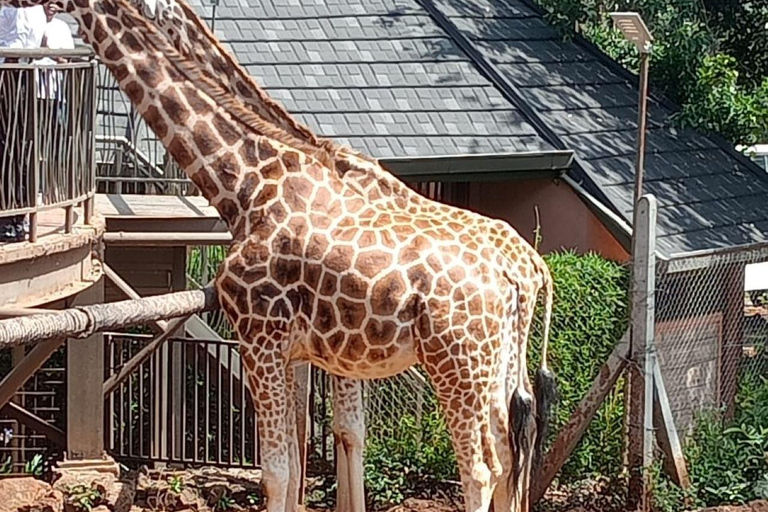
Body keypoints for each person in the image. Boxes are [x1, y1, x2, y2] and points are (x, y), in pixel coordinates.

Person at [0, 5, 47, 243]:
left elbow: (17, 44)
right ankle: (17, 217)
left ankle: (12, 218)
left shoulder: (22, 8)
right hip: (23, 73)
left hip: (13, 74)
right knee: (18, 146)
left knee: (12, 147)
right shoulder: (33, 9)